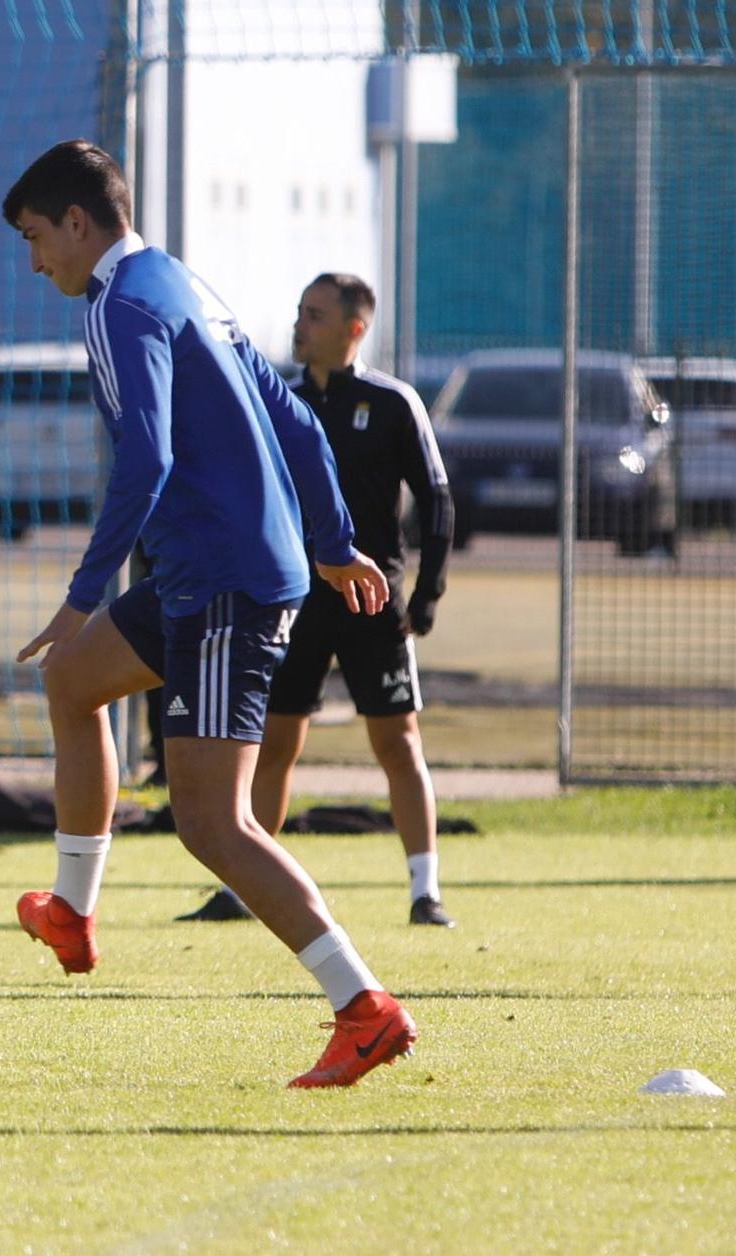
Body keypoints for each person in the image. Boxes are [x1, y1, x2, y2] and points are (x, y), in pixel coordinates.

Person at [4, 140, 415, 1087]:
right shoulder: (183, 284)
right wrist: (330, 539)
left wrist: (80, 595)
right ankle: (71, 912)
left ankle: (365, 1007)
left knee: (214, 823)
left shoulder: (120, 305)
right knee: (73, 682)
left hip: (227, 584)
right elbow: (298, 421)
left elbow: (143, 462)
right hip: (206, 573)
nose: (34, 263)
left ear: (77, 222)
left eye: (36, 238)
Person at [180, 275, 458, 928]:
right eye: (300, 312)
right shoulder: (278, 397)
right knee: (273, 742)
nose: (300, 325)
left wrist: (425, 595)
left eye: (315, 314)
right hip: (293, 599)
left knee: (398, 742)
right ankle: (242, 888)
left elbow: (437, 497)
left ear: (353, 328)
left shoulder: (392, 402)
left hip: (370, 601)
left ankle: (425, 891)